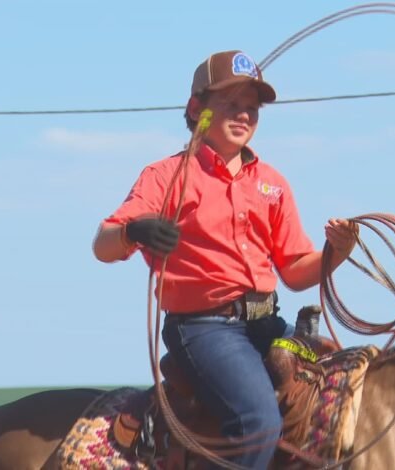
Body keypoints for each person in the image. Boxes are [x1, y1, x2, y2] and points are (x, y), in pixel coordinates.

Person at [92, 50, 358, 468]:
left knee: (346, 386)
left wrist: (334, 252)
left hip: (266, 323)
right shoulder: (167, 176)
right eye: (230, 105)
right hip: (204, 330)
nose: (244, 115)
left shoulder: (272, 184)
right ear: (197, 109)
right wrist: (134, 231)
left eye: (251, 108)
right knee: (257, 421)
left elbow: (294, 271)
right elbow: (103, 245)